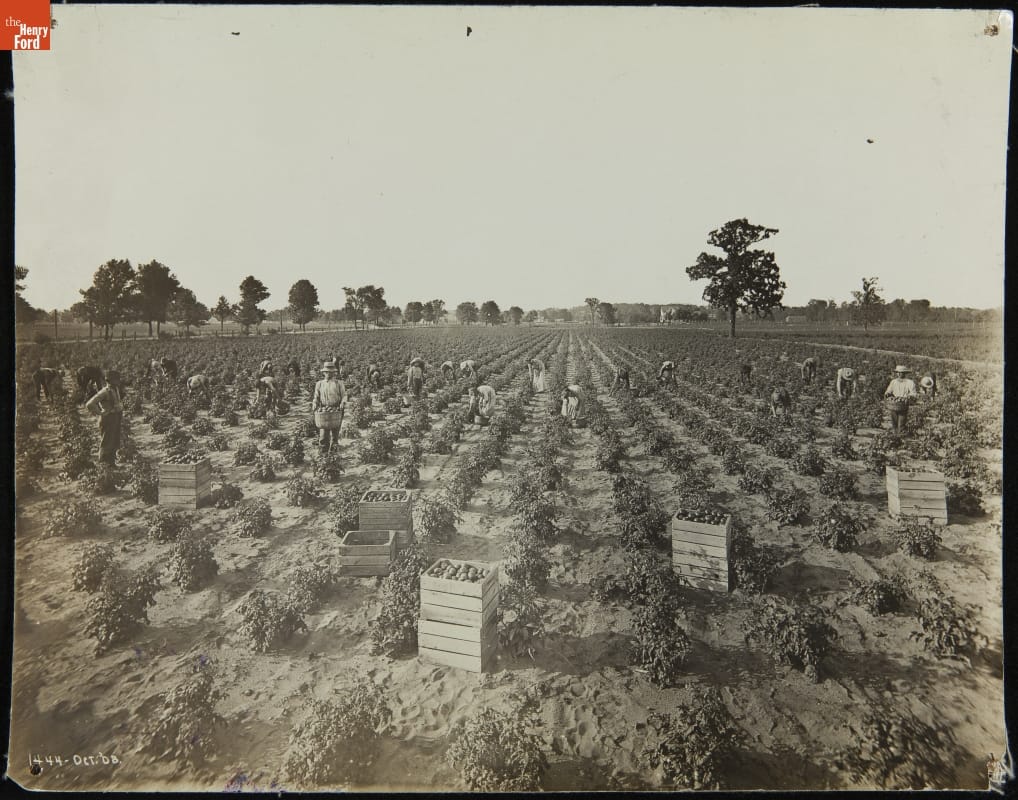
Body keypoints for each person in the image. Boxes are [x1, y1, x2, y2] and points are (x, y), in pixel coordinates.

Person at [84, 370, 124, 466]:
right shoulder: (104, 392)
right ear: (110, 380)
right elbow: (90, 404)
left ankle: (111, 463)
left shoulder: (116, 389)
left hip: (115, 417)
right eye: (117, 379)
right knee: (106, 441)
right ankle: (104, 464)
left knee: (114, 440)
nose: (119, 381)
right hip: (108, 419)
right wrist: (100, 412)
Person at [312, 360, 346, 453]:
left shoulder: (339, 383)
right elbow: (316, 397)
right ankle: (323, 453)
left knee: (335, 432)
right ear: (324, 373)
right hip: (324, 409)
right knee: (323, 433)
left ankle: (334, 452)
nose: (329, 374)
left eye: (331, 372)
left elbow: (344, 395)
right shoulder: (319, 384)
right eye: (327, 372)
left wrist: (342, 403)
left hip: (336, 409)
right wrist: (314, 403)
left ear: (334, 373)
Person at [884, 365, 918, 434]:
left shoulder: (910, 382)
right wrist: (888, 394)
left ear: (905, 373)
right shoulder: (893, 382)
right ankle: (895, 436)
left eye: (901, 372)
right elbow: (889, 390)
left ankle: (900, 436)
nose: (899, 374)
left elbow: (913, 393)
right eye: (898, 372)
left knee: (901, 424)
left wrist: (909, 397)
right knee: (894, 423)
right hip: (893, 404)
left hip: (903, 405)